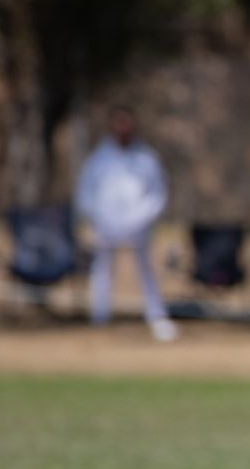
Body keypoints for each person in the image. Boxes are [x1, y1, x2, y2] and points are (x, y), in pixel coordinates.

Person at [75, 106, 178, 341]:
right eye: (118, 124)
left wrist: (141, 218)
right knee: (102, 270)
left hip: (140, 227)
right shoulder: (98, 160)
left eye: (126, 124)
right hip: (106, 227)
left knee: (146, 271)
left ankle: (156, 316)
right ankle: (100, 317)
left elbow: (158, 194)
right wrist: (102, 219)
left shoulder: (146, 158)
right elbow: (85, 195)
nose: (123, 129)